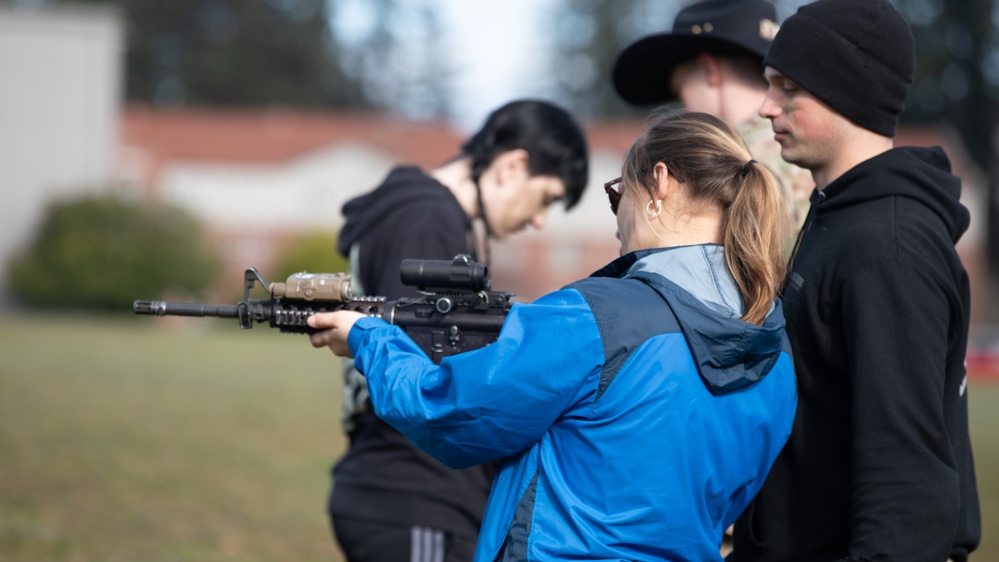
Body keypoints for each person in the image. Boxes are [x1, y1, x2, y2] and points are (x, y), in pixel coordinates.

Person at [308, 109, 797, 561]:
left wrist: (367, 338)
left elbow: (447, 412)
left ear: (659, 183)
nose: (616, 218)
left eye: (616, 193)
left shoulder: (596, 316)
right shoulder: (775, 345)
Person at [728, 1, 981, 561]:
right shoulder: (839, 216)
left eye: (787, 87)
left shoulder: (884, 248)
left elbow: (906, 487)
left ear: (844, 89)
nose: (767, 107)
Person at [327, 99, 589, 562]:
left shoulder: (423, 214)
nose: (539, 220)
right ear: (513, 166)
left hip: (400, 494)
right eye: (546, 197)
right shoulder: (428, 220)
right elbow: (428, 366)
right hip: (417, 497)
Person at [612, 0, 811, 252]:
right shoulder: (800, 154)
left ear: (709, 71)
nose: (682, 110)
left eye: (680, 90)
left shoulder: (741, 170)